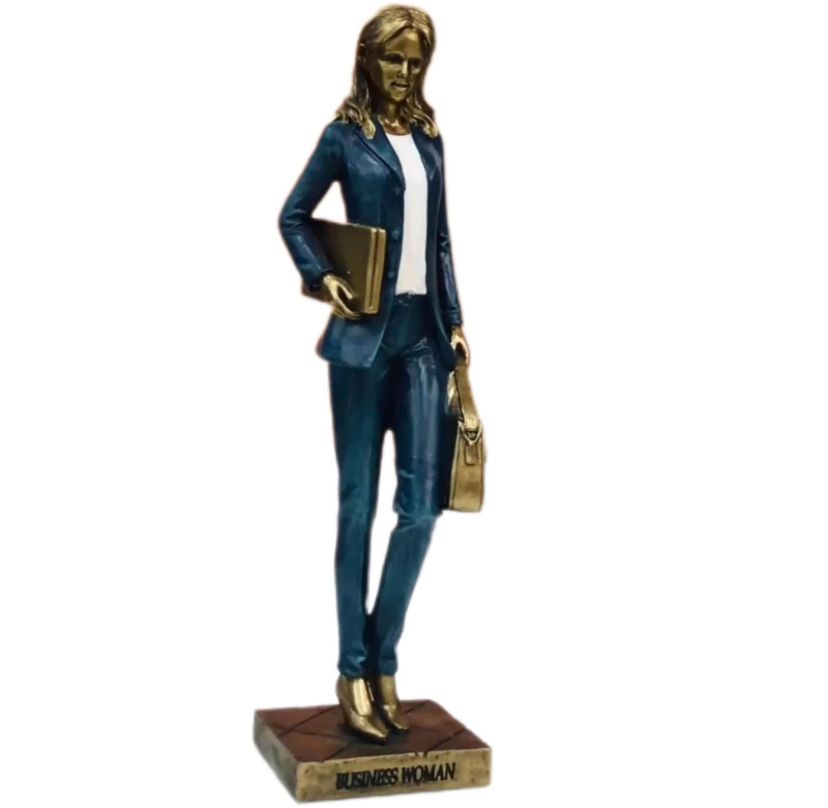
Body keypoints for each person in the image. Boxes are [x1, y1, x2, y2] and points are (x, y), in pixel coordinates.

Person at [279, 5, 469, 743]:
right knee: (356, 506)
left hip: (423, 340)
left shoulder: (430, 137)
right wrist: (322, 276)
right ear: (368, 59)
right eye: (394, 59)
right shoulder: (345, 137)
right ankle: (351, 668)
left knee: (421, 508)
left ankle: (384, 659)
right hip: (361, 343)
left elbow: (441, 239)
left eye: (416, 61)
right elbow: (294, 216)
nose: (405, 72)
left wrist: (455, 322)